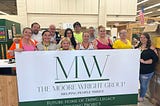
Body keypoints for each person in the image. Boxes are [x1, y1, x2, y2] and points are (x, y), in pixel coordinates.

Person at [135, 33, 158, 102]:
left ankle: (141, 97)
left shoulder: (151, 48)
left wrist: (144, 61)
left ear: (148, 39)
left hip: (147, 71)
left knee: (143, 85)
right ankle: (142, 93)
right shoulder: (138, 46)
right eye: (141, 37)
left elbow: (155, 59)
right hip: (138, 70)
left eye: (144, 37)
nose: (142, 39)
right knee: (141, 84)